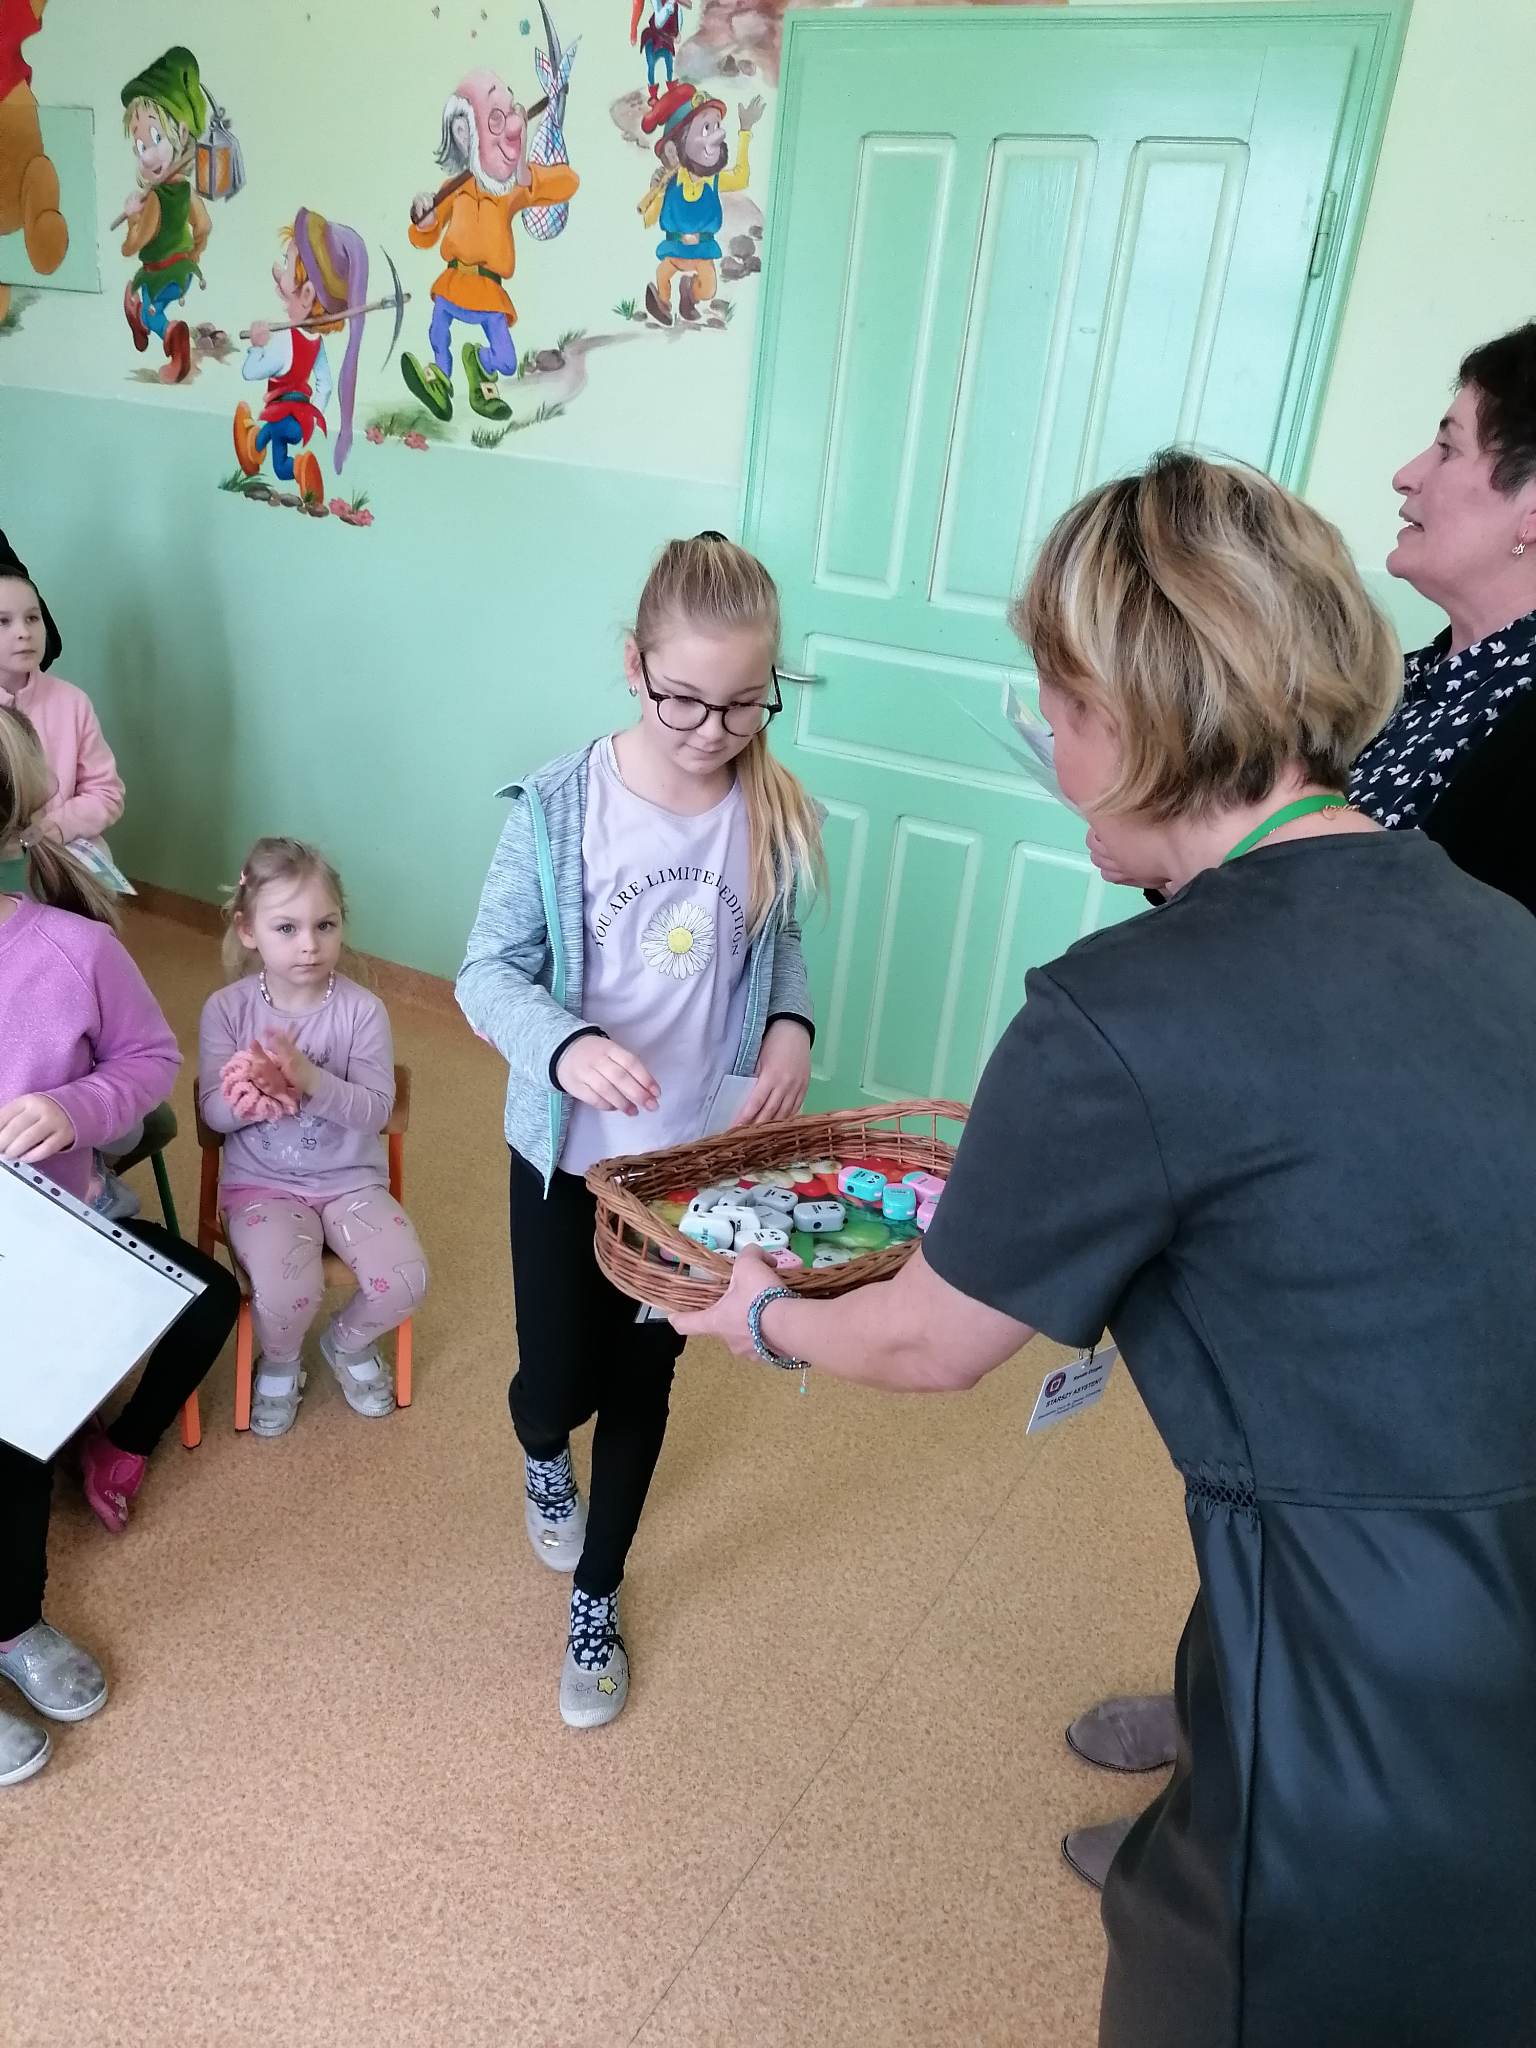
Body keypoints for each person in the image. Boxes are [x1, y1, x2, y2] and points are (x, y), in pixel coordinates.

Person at [677, 455, 1536, 2048]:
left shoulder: (1120, 1011)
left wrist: (766, 1320)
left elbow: (929, 1339)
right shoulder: (1492, 921)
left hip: (1372, 1729)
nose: (1051, 750)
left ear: (1131, 718)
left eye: (1058, 709)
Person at [1075, 318, 1536, 1838]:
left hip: (1418, 1227)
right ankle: (1218, 1726)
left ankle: (1234, 1846)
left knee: (1353, 1548)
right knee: (1257, 1496)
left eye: (1451, 445)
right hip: (1298, 1179)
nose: (1408, 472)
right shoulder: (1427, 681)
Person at [457, 531, 822, 1729]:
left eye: (744, 703)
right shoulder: (560, 807)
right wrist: (563, 1044)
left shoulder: (770, 809)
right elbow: (484, 972)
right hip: (568, 1162)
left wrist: (790, 1026)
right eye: (683, 699)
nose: (713, 729)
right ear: (633, 664)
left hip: (688, 1170)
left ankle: (598, 1591)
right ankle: (538, 1447)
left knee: (644, 1375)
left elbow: (779, 947)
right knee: (556, 1380)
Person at [0, 708, 239, 1787]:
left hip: (58, 1244)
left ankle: (16, 1615)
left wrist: (71, 1107)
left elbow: (147, 1063)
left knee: (201, 1296)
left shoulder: (75, 950)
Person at [197, 838, 428, 1438]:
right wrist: (254, 1092)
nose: (309, 944)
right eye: (287, 927)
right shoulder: (226, 1010)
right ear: (248, 931)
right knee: (283, 1288)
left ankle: (345, 1343)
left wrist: (309, 1080)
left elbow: (376, 1110)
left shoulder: (362, 1011)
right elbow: (214, 1115)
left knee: (407, 1280)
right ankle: (279, 1361)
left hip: (350, 1181)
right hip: (261, 1186)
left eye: (325, 925)